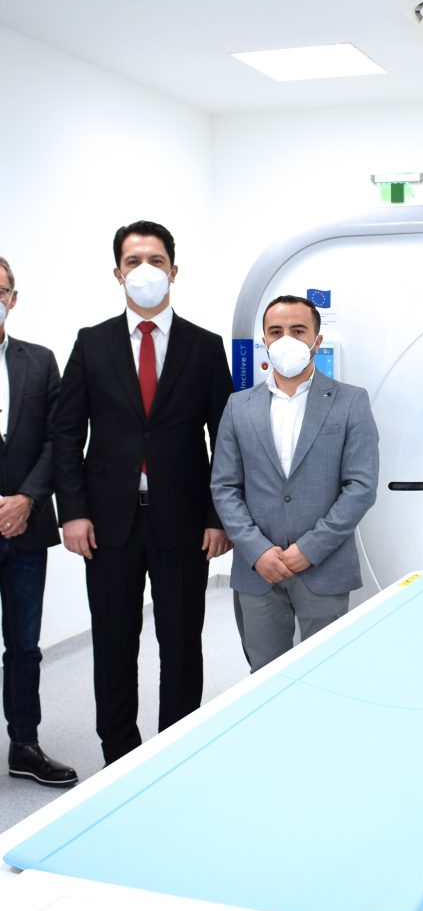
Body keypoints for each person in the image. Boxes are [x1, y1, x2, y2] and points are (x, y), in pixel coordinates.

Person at [53, 221, 232, 765]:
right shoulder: (92, 343)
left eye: (156, 260)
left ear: (174, 271)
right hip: (108, 525)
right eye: (134, 261)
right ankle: (120, 758)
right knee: (113, 646)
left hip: (184, 524)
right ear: (117, 273)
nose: (145, 270)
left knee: (181, 645)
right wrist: (72, 512)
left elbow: (225, 440)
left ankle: (176, 756)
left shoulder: (205, 347)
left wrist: (217, 516)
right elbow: (66, 434)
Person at [211, 294, 379, 671]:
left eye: (298, 330)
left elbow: (361, 487)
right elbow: (224, 486)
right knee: (265, 674)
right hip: (258, 569)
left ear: (317, 341)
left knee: (327, 672)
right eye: (276, 331)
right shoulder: (238, 406)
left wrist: (309, 549)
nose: (286, 339)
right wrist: (257, 550)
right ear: (265, 342)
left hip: (324, 566)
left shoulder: (351, 402)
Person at [0, 257, 77, 786]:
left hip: (26, 530)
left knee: (24, 646)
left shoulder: (40, 361)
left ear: (13, 297)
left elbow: (59, 439)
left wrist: (26, 499)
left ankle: (24, 744)